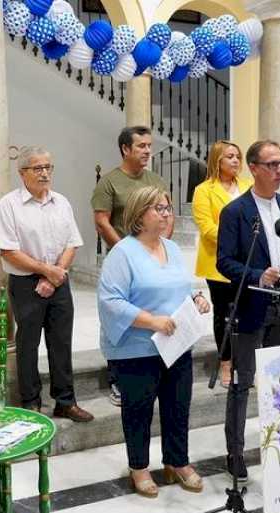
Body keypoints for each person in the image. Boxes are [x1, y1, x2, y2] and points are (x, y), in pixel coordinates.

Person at [98, 186, 210, 498]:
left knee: (178, 406)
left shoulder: (171, 249)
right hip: (137, 347)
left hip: (176, 344)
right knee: (138, 411)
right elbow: (111, 302)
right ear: (138, 214)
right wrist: (152, 320)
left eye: (168, 208)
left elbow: (179, 289)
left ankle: (178, 462)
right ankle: (139, 468)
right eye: (158, 208)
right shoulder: (123, 253)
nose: (165, 214)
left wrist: (197, 298)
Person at [216, 140, 280, 483]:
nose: (279, 171)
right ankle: (234, 453)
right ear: (254, 167)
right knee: (242, 383)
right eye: (272, 164)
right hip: (251, 307)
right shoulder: (236, 212)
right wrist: (257, 275)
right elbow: (224, 261)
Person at [0, 146, 94, 423]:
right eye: (37, 168)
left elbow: (72, 242)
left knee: (61, 342)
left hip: (59, 282)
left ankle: (65, 401)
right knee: (28, 344)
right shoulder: (8, 205)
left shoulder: (61, 202)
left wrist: (56, 274)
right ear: (22, 172)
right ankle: (31, 403)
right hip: (26, 284)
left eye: (48, 167)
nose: (45, 173)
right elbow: (7, 250)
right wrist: (46, 272)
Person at [92, 126, 173, 407]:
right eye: (141, 146)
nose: (148, 151)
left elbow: (167, 212)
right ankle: (117, 377)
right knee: (120, 314)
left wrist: (163, 244)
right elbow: (102, 220)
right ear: (125, 149)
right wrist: (127, 249)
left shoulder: (156, 179)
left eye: (149, 146)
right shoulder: (110, 182)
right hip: (124, 259)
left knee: (155, 314)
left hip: (155, 255)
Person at [191, 140, 253, 388]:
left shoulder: (249, 187)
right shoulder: (204, 190)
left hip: (248, 262)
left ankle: (246, 363)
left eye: (238, 156)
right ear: (218, 160)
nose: (236, 161)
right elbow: (207, 229)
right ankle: (225, 363)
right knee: (224, 316)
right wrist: (239, 240)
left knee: (247, 314)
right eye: (230, 157)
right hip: (218, 264)